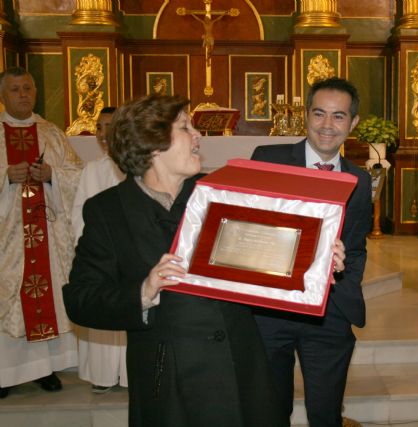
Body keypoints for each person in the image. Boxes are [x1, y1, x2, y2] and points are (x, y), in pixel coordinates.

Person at [63, 94, 290, 426]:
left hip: (238, 367)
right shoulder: (108, 211)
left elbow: (269, 254)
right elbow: (81, 300)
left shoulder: (221, 193)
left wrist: (318, 261)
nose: (198, 135)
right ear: (152, 144)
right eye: (186, 127)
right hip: (169, 380)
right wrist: (143, 290)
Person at [251, 77, 372, 426]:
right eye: (319, 114)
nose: (327, 126)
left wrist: (344, 274)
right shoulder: (269, 159)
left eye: (338, 116)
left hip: (328, 312)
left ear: (353, 123)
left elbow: (358, 245)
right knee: (270, 412)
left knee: (326, 415)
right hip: (271, 311)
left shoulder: (359, 180)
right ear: (306, 115)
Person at [0, 66, 82, 399]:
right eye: (15, 89)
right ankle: (5, 372)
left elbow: (77, 175)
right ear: (3, 95)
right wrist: (6, 178)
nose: (23, 94)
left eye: (28, 88)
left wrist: (51, 175)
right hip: (8, 238)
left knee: (46, 294)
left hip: (45, 231)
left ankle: (45, 369)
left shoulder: (51, 133)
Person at [71, 106, 127, 393]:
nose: (104, 134)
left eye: (110, 126)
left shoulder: (135, 165)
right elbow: (79, 211)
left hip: (129, 255)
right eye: (99, 127)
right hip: (102, 254)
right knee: (103, 308)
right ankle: (103, 375)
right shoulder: (92, 170)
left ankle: (130, 375)